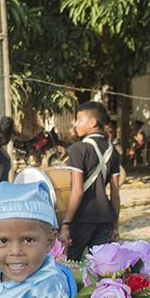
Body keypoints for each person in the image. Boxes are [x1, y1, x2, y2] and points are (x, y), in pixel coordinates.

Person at [0, 180, 75, 298]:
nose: (15, 252)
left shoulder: (48, 289)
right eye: (3, 241)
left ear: (49, 242)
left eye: (28, 240)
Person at [60, 101, 121, 261]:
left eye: (79, 120)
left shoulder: (78, 149)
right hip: (105, 218)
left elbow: (78, 191)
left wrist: (66, 223)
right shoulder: (112, 151)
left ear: (93, 123)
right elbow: (115, 193)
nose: (76, 124)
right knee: (102, 268)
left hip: (81, 217)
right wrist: (115, 225)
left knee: (71, 265)